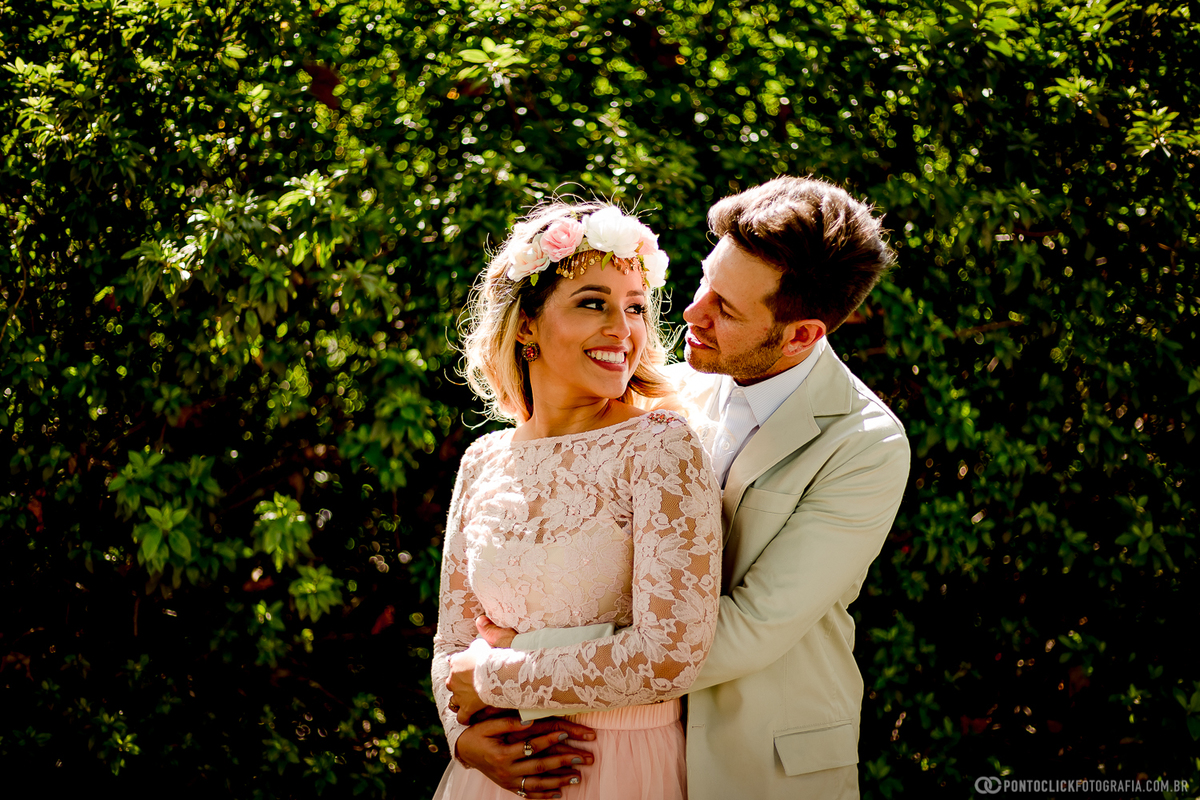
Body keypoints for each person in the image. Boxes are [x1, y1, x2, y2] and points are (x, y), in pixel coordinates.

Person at [474, 175, 910, 800]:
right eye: (707, 281)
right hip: (617, 749)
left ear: (802, 334)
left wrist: (516, 661)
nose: (689, 312)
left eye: (725, 309)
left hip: (764, 764)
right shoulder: (658, 395)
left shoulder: (864, 444)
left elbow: (749, 625)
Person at [430, 201, 723, 800]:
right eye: (594, 303)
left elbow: (670, 655)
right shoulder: (483, 459)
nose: (623, 329)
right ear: (529, 323)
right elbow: (451, 644)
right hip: (492, 772)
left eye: (636, 308)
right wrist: (462, 738)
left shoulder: (660, 445)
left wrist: (496, 681)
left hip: (619, 767)